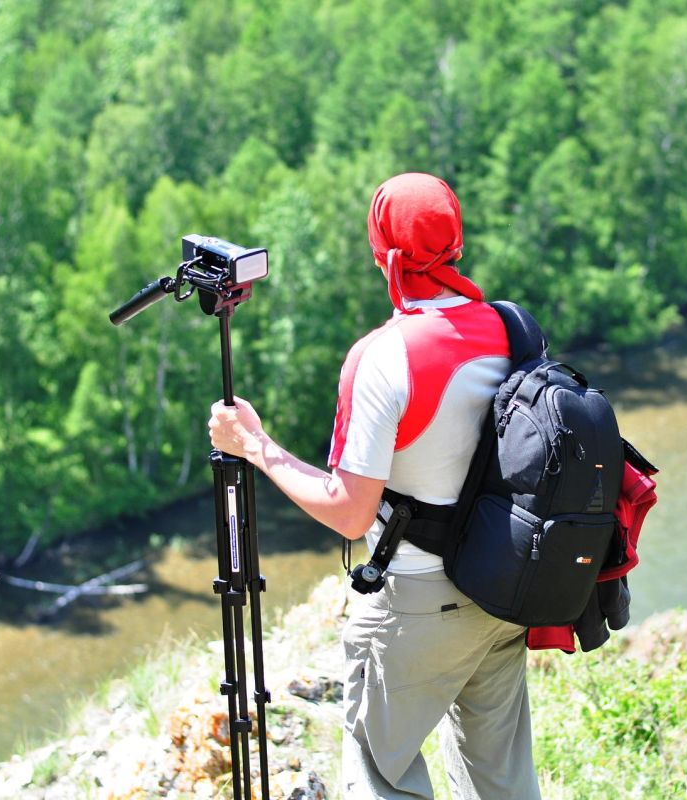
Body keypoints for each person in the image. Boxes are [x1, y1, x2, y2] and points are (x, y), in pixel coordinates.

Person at [208, 172, 541, 799]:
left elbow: (350, 512)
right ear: (457, 244)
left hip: (417, 605)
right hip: (501, 595)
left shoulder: (384, 358)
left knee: (380, 777)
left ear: (382, 255)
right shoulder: (511, 329)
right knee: (500, 783)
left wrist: (254, 446)